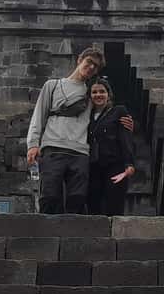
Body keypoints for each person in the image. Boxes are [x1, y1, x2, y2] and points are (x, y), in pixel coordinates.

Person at [26, 48, 132, 214]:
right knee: (49, 197)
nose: (91, 67)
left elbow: (104, 114)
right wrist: (32, 143)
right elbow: (38, 115)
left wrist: (124, 122)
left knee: (77, 199)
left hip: (80, 153)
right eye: (89, 62)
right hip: (53, 148)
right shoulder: (53, 86)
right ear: (79, 60)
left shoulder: (90, 93)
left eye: (95, 67)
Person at [87, 78, 136, 216]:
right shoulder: (86, 116)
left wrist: (129, 164)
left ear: (108, 94)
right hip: (93, 166)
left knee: (114, 204)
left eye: (102, 91)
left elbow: (125, 138)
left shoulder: (118, 111)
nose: (98, 95)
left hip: (114, 164)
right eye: (94, 92)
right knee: (93, 205)